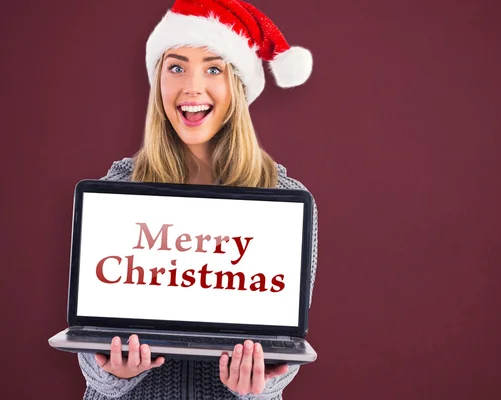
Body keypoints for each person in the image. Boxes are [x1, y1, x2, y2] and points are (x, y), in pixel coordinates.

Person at [76, 1, 319, 399]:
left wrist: (259, 384)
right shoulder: (117, 189)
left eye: (213, 68)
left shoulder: (285, 200)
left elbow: (285, 346)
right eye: (176, 67)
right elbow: (90, 345)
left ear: (237, 85)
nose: (191, 86)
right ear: (159, 81)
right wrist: (114, 373)